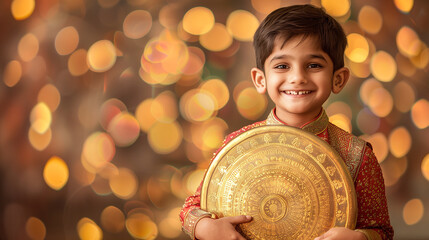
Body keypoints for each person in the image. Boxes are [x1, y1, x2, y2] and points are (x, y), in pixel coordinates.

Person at [179, 4, 393, 240]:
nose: (298, 77)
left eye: (314, 65)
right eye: (282, 66)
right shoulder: (237, 147)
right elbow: (191, 208)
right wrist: (204, 227)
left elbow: (382, 231)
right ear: (260, 80)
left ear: (338, 79)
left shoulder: (357, 156)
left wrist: (360, 238)